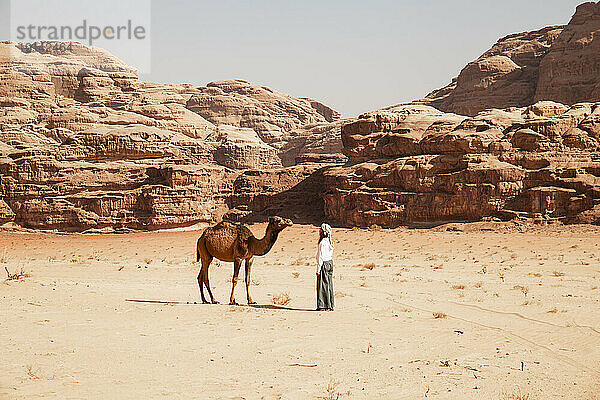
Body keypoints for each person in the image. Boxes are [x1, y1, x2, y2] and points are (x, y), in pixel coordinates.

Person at [316, 223, 334, 311]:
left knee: (322, 285)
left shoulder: (322, 243)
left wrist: (318, 269)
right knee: (329, 284)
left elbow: (320, 257)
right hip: (330, 263)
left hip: (324, 264)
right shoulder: (329, 242)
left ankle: (323, 306)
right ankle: (330, 305)